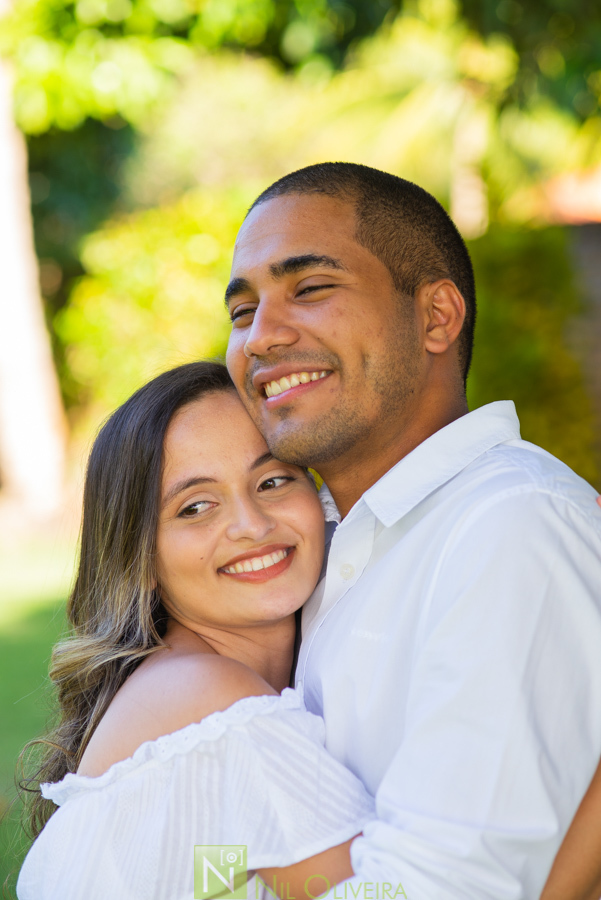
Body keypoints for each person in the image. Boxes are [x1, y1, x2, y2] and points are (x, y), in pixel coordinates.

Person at [225, 162, 601, 899]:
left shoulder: (507, 529)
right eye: (242, 312)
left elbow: (439, 887)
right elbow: (241, 858)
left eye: (310, 288)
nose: (260, 338)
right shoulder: (318, 549)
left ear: (435, 317)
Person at [17, 361, 376, 900]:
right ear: (140, 556)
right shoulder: (209, 700)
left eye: (273, 480)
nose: (252, 525)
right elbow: (381, 892)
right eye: (196, 507)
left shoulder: (204, 688)